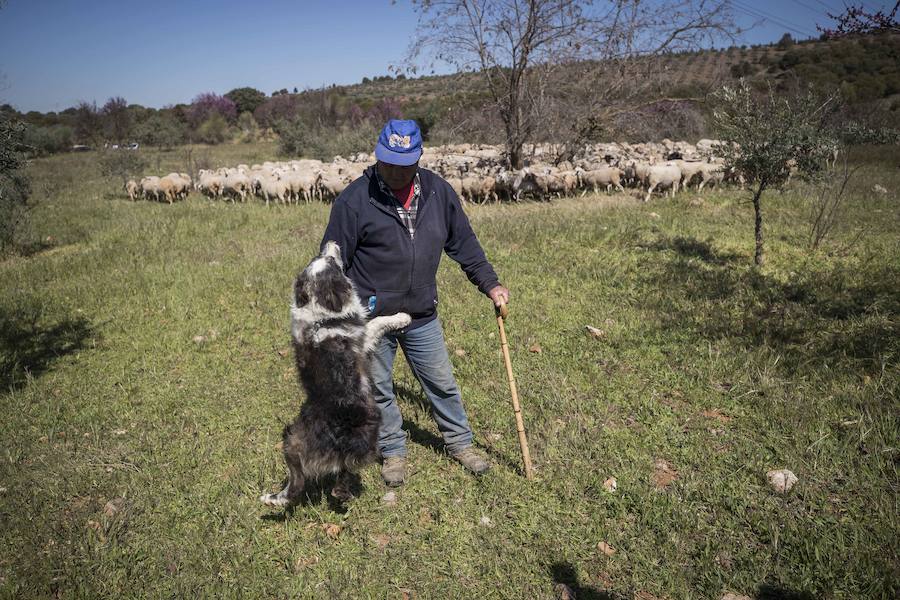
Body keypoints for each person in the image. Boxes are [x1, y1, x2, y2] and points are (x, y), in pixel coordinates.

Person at [320, 119, 510, 487]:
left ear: (418, 158)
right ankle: (392, 451)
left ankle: (460, 443)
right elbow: (333, 259)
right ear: (378, 155)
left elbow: (464, 243)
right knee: (378, 387)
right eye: (386, 161)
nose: (392, 170)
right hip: (373, 316)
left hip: (421, 312)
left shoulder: (438, 193)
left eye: (402, 163)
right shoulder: (355, 200)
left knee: (441, 381)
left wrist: (490, 283)